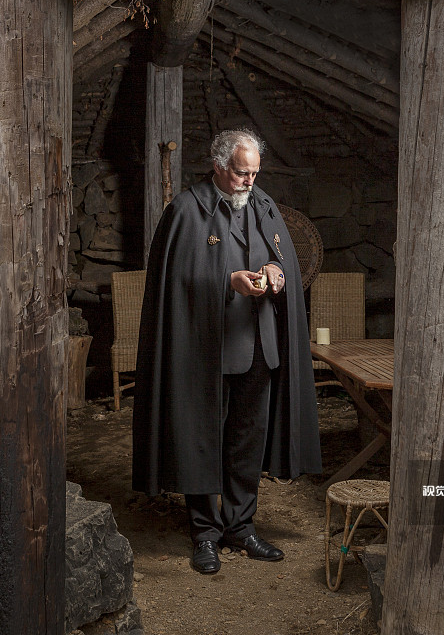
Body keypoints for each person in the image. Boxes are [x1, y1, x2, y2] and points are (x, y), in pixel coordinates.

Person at [132, 129, 322, 574]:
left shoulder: (264, 205)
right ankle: (205, 533)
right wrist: (227, 281)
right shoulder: (184, 210)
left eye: (255, 172)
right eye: (241, 172)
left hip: (259, 347)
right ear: (218, 166)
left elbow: (285, 261)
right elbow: (172, 284)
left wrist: (276, 273)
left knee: (246, 442)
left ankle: (241, 525)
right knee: (203, 439)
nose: (249, 181)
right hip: (204, 351)